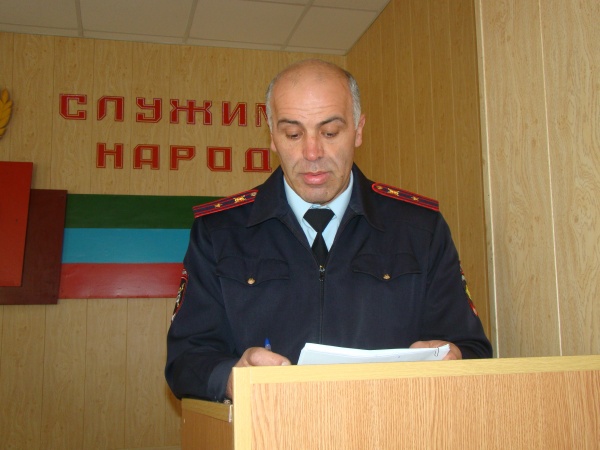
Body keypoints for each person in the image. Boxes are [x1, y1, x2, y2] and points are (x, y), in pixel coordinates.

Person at [165, 59, 492, 402]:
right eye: (293, 134)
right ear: (272, 135)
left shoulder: (420, 228)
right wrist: (232, 377)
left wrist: (453, 358)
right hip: (268, 427)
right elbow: (185, 360)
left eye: (330, 132)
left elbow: (473, 349)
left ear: (359, 130)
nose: (312, 153)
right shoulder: (218, 231)